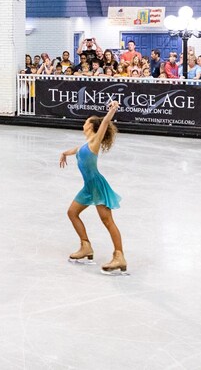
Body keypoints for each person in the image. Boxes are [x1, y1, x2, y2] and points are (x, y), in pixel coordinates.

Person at [60, 99, 126, 274]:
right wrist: (66, 152)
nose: (84, 123)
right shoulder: (86, 143)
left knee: (107, 221)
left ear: (91, 126)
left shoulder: (95, 141)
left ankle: (119, 256)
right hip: (88, 187)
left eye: (86, 122)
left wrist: (112, 110)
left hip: (97, 186)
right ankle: (86, 246)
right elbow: (78, 149)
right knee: (72, 213)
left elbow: (104, 123)